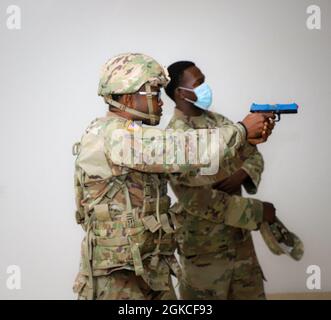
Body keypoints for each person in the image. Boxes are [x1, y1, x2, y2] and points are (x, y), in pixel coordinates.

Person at [72, 53, 273, 300]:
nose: (161, 102)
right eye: (154, 94)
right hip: (118, 277)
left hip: (148, 265)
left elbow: (195, 170)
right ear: (127, 97)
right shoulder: (115, 136)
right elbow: (183, 150)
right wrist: (241, 131)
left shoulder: (134, 136)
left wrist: (245, 146)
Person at [165, 60, 276, 300]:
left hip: (239, 241)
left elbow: (253, 155)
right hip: (205, 250)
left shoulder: (220, 123)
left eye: (204, 80)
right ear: (180, 93)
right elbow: (197, 198)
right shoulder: (174, 138)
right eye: (199, 83)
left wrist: (243, 173)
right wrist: (256, 211)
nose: (206, 87)